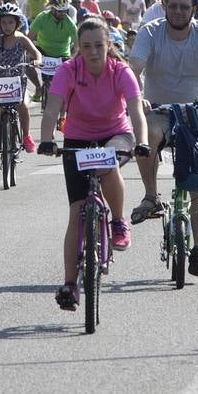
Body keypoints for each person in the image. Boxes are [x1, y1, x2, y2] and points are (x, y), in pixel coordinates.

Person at [38, 17, 150, 309]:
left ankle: (117, 221)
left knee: (106, 161)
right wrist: (47, 138)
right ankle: (69, 285)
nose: (93, 51)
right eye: (86, 46)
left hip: (117, 135)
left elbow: (136, 110)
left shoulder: (121, 71)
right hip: (78, 139)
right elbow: (52, 109)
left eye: (99, 45)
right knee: (76, 212)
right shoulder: (68, 70)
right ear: (78, 47)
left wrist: (142, 141)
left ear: (108, 45)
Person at [127, 0, 198, 277]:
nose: (178, 12)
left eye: (185, 7)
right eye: (172, 6)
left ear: (195, 9)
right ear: (164, 6)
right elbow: (134, 69)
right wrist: (138, 98)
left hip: (197, 112)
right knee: (147, 137)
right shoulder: (150, 31)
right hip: (158, 108)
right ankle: (150, 197)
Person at [0, 4, 40, 168]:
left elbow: (36, 53)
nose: (7, 26)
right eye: (4, 23)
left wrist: (37, 61)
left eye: (10, 23)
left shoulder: (22, 39)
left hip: (18, 83)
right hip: (0, 86)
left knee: (23, 106)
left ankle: (26, 136)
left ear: (17, 24)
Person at [27, 0, 78, 95]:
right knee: (27, 63)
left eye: (65, 11)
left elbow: (77, 46)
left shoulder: (70, 24)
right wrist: (28, 52)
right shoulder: (42, 17)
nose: (63, 14)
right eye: (60, 11)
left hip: (62, 55)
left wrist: (75, 59)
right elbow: (29, 38)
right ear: (52, 9)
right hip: (42, 52)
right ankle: (38, 87)